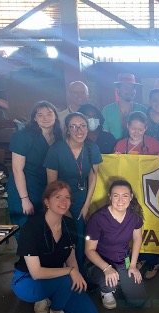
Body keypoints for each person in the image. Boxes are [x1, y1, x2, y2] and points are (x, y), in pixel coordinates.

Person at [11, 180, 99, 313]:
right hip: (27, 280)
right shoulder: (32, 227)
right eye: (57, 197)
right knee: (66, 279)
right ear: (47, 201)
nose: (63, 202)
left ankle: (55, 295)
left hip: (57, 278)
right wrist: (70, 272)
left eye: (67, 198)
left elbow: (71, 258)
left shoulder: (69, 225)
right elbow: (36, 273)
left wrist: (76, 279)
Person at [44, 112, 102, 270]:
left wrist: (86, 205)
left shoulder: (92, 148)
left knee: (81, 238)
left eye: (83, 126)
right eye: (73, 127)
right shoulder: (56, 150)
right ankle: (69, 274)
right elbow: (52, 184)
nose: (79, 130)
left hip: (82, 198)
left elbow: (93, 176)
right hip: (62, 199)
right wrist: (62, 208)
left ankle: (81, 275)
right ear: (67, 130)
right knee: (66, 238)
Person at [84, 179, 147, 310]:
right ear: (110, 196)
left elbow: (137, 239)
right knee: (110, 283)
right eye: (116, 195)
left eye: (125, 196)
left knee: (138, 300)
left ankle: (118, 280)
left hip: (123, 259)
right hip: (99, 261)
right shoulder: (98, 218)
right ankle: (106, 290)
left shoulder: (135, 215)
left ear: (131, 197)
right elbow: (89, 250)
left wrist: (133, 265)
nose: (120, 200)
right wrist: (107, 268)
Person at [8, 101, 63, 236]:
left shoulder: (58, 136)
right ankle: (25, 257)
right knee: (26, 227)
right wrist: (24, 199)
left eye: (49, 114)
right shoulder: (23, 136)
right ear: (34, 118)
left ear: (55, 116)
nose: (45, 118)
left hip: (43, 187)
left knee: (43, 227)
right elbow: (17, 169)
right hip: (24, 187)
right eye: (40, 115)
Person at [102, 73, 147, 140]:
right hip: (114, 149)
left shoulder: (142, 109)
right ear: (118, 90)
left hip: (138, 148)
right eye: (126, 87)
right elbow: (104, 136)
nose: (130, 91)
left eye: (133, 88)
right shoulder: (107, 111)